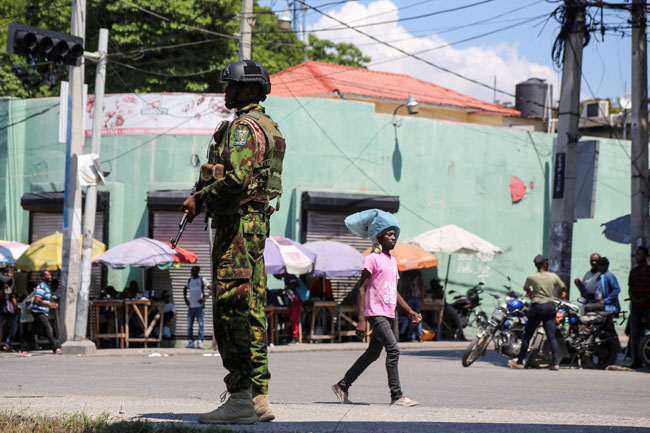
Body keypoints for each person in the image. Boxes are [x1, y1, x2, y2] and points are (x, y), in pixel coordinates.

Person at [181, 60, 284, 424]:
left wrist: (201, 198)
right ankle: (258, 397)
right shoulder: (268, 126)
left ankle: (240, 397)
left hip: (237, 226)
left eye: (233, 87)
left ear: (251, 90)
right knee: (252, 308)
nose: (227, 92)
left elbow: (238, 177)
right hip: (254, 225)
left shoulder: (243, 128)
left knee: (231, 308)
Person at [332, 209, 420, 407]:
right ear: (379, 237)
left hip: (388, 313)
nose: (393, 237)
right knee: (393, 350)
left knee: (373, 353)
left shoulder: (392, 261)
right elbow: (361, 290)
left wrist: (409, 311)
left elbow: (394, 291)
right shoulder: (372, 259)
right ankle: (396, 396)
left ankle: (342, 386)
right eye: (389, 234)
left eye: (395, 234)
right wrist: (361, 320)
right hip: (375, 313)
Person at [508, 255, 566, 371]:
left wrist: (530, 292)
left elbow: (526, 288)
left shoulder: (531, 277)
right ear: (545, 264)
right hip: (550, 306)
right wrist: (562, 294)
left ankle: (520, 361)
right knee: (551, 336)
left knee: (527, 336)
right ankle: (555, 363)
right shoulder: (553, 276)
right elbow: (563, 287)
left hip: (537, 307)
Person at [628, 246, 650, 368]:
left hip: (647, 306)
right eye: (636, 255)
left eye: (639, 255)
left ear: (645, 256)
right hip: (636, 307)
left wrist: (644, 299)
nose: (637, 257)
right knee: (635, 334)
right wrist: (634, 299)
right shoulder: (634, 272)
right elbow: (630, 288)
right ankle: (636, 360)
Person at [29, 271, 61, 354]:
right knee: (48, 329)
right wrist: (49, 303)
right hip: (39, 311)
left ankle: (26, 346)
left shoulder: (46, 287)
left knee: (34, 331)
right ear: (43, 277)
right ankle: (55, 348)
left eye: (50, 275)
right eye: (48, 275)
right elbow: (37, 300)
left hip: (41, 311)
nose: (50, 276)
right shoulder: (41, 287)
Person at [183, 266, 210, 349]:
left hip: (199, 307)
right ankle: (191, 342)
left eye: (193, 270)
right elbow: (184, 289)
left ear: (197, 271)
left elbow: (211, 289)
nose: (191, 272)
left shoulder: (202, 280)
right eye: (191, 270)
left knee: (201, 324)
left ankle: (200, 341)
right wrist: (186, 300)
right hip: (191, 306)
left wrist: (204, 298)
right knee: (189, 325)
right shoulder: (189, 280)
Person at [400, 270, 423, 342]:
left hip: (409, 297)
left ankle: (412, 337)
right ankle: (420, 336)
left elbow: (404, 287)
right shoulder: (418, 273)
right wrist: (422, 298)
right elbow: (422, 286)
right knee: (418, 316)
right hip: (418, 297)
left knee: (411, 317)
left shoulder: (405, 274)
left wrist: (402, 301)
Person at [0, 267, 20, 352]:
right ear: (5, 274)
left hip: (9, 309)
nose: (11, 275)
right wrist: (2, 290)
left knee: (14, 326)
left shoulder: (12, 284)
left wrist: (16, 307)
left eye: (12, 273)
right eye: (10, 273)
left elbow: (13, 297)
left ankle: (8, 344)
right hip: (1, 308)